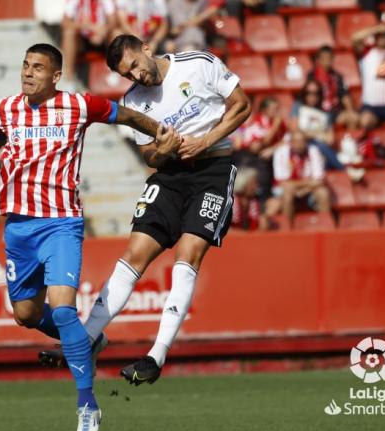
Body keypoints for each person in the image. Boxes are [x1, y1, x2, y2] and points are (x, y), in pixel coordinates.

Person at [0, 42, 174, 431]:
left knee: (62, 311)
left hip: (61, 222)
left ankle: (88, 408)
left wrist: (157, 129)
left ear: (55, 76)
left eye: (38, 68)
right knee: (24, 313)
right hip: (18, 225)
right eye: (25, 65)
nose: (28, 73)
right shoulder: (5, 109)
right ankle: (88, 341)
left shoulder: (78, 105)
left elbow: (122, 113)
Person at [39, 35, 251, 386]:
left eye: (136, 65)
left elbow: (241, 105)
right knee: (134, 252)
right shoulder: (134, 101)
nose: (136, 76)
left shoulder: (197, 64)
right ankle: (84, 341)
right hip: (169, 177)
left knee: (188, 252)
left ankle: (157, 354)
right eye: (128, 74)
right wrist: (164, 150)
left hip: (212, 170)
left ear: (147, 50)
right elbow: (149, 157)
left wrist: (205, 141)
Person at [271, 129, 330, 222]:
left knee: (323, 193)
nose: (299, 145)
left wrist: (302, 188)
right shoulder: (281, 152)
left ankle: (325, 225)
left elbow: (319, 180)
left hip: (309, 190)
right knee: (287, 194)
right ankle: (288, 228)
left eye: (302, 141)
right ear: (290, 142)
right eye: (296, 141)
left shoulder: (313, 151)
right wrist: (308, 183)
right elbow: (283, 183)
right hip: (287, 189)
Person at [60, 0, 119, 89]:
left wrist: (103, 31)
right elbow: (65, 23)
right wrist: (88, 26)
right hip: (82, 40)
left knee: (116, 33)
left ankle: (115, 71)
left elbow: (113, 21)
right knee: (69, 33)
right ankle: (69, 79)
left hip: (102, 39)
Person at [290, 79, 343, 170]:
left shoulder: (326, 113)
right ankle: (343, 169)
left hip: (320, 145)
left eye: (316, 93)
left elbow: (330, 139)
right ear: (304, 93)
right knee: (319, 146)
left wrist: (311, 135)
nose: (312, 96)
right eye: (309, 93)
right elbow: (295, 130)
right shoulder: (298, 106)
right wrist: (317, 135)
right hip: (303, 142)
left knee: (321, 151)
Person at [307, 45, 360, 129]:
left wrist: (350, 110)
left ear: (332, 59)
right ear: (318, 59)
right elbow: (308, 97)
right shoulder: (312, 76)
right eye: (323, 58)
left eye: (329, 58)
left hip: (335, 112)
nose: (326, 61)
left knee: (353, 118)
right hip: (319, 112)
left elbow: (344, 95)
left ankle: (350, 140)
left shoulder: (337, 76)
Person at [231, 167, 268, 231]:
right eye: (253, 183)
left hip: (253, 239)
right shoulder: (229, 201)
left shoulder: (258, 200)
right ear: (242, 184)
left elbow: (264, 226)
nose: (256, 186)